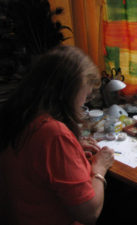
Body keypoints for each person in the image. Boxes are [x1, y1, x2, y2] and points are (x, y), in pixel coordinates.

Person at [0, 46, 114, 225]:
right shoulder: (54, 135)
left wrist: (73, 149)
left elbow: (39, 162)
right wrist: (100, 167)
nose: (84, 101)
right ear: (67, 92)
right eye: (85, 94)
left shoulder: (21, 115)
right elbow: (89, 213)